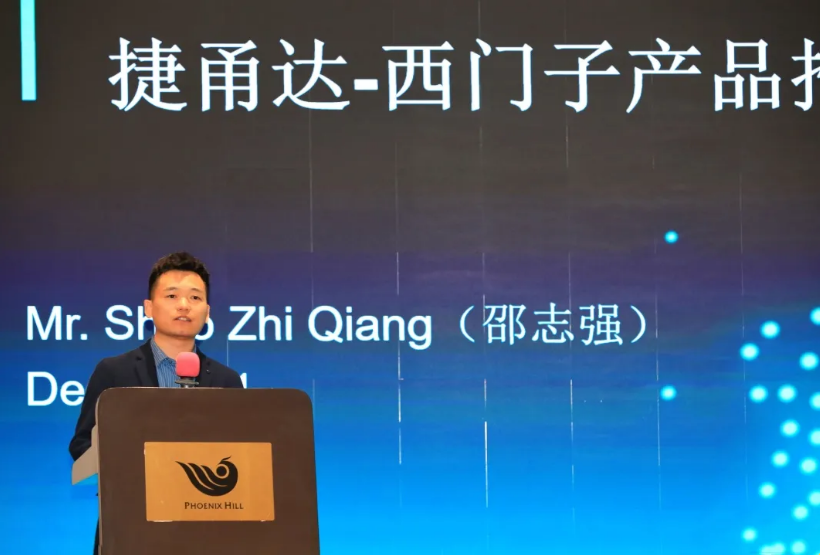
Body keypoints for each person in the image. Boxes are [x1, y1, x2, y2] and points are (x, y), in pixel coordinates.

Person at [68, 251, 244, 554]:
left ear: (207, 312)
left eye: (195, 297)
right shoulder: (114, 372)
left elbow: (242, 455)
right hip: (130, 528)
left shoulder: (227, 381)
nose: (184, 305)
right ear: (148, 308)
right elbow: (82, 445)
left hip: (207, 530)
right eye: (172, 295)